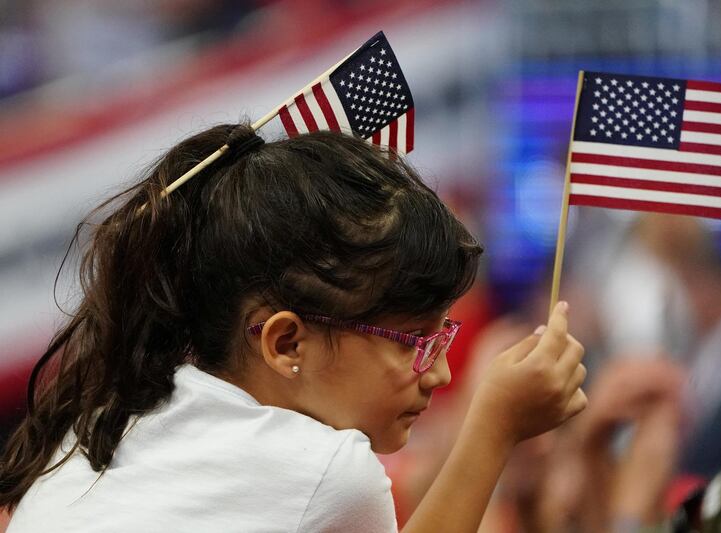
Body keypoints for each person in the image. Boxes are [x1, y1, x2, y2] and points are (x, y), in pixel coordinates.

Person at [0, 124, 587, 533]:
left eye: (444, 336)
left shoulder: (117, 415)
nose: (440, 371)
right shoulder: (326, 472)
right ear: (285, 343)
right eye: (417, 343)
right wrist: (495, 426)